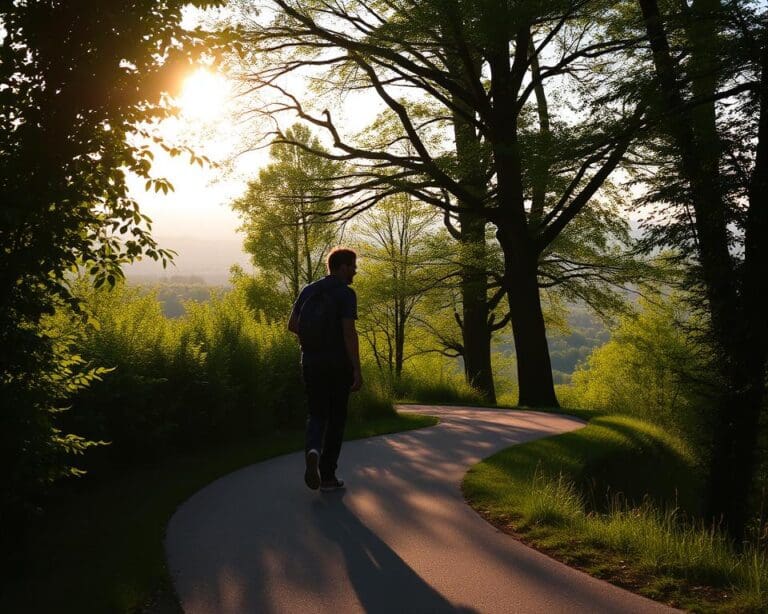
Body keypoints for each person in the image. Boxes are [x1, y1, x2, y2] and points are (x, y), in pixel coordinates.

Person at [288, 247, 362, 492]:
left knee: (317, 413)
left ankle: (312, 450)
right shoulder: (346, 294)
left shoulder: (309, 290)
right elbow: (349, 332)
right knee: (337, 419)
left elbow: (292, 325)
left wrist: (314, 341)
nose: (355, 271)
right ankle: (328, 476)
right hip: (337, 365)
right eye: (352, 266)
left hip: (310, 362)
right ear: (341, 267)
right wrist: (356, 369)